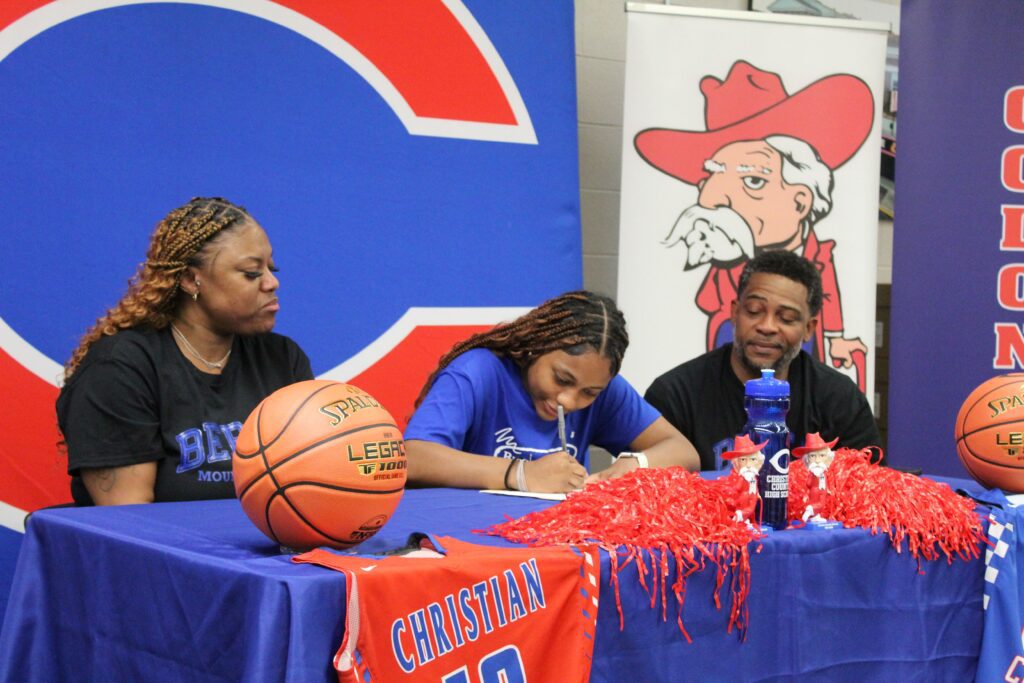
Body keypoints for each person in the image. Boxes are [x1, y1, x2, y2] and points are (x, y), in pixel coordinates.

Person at [57, 197, 313, 505]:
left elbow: (309, 492)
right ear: (192, 280)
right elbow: (128, 520)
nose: (272, 283)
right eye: (251, 272)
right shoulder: (120, 368)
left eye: (272, 268)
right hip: (159, 539)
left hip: (262, 540)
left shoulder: (283, 359)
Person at [634, 60, 872, 379]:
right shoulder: (726, 256)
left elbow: (828, 297)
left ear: (801, 200)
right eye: (714, 178)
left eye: (753, 181)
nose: (717, 199)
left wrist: (835, 337)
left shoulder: (820, 255)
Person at [405, 291, 700, 493]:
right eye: (561, 379)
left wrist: (635, 465)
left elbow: (684, 452)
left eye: (589, 393)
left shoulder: (605, 390)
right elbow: (413, 457)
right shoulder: (477, 372)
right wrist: (520, 474)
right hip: (470, 543)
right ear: (536, 346)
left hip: (558, 545)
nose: (568, 400)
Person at [644, 250, 880, 471]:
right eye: (754, 311)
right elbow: (651, 490)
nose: (767, 327)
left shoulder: (840, 400)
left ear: (809, 329)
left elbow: (868, 488)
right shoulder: (676, 395)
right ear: (734, 312)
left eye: (786, 318)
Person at [792, 432, 838, 522]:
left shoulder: (822, 471)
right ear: (808, 459)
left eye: (822, 455)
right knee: (818, 503)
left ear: (828, 457)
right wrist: (814, 481)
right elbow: (808, 483)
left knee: (822, 504)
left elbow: (824, 481)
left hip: (823, 491)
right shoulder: (814, 472)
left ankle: (815, 516)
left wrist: (827, 490)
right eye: (813, 456)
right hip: (815, 491)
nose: (817, 460)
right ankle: (810, 509)